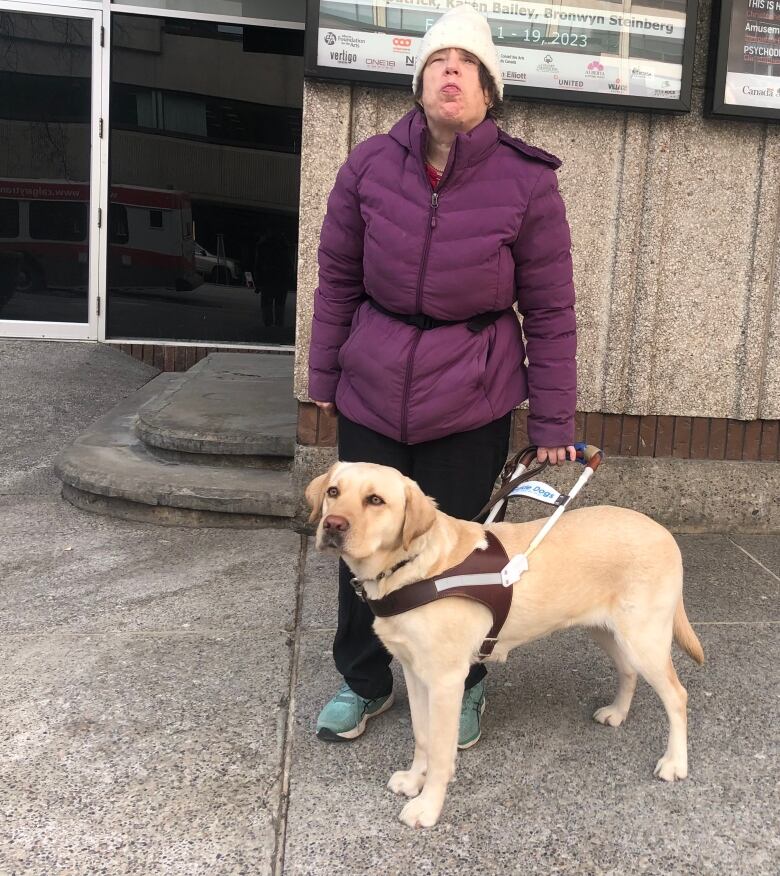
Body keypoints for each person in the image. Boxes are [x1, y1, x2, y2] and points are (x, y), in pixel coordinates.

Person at [308, 6, 576, 748]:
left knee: (463, 551)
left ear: (489, 89)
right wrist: (324, 373)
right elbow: (337, 281)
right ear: (419, 82)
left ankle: (463, 683)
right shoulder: (368, 164)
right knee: (357, 541)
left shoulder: (527, 184)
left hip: (471, 393)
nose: (450, 71)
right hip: (372, 382)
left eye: (466, 63)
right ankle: (364, 679)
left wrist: (553, 421)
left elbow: (551, 310)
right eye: (436, 61)